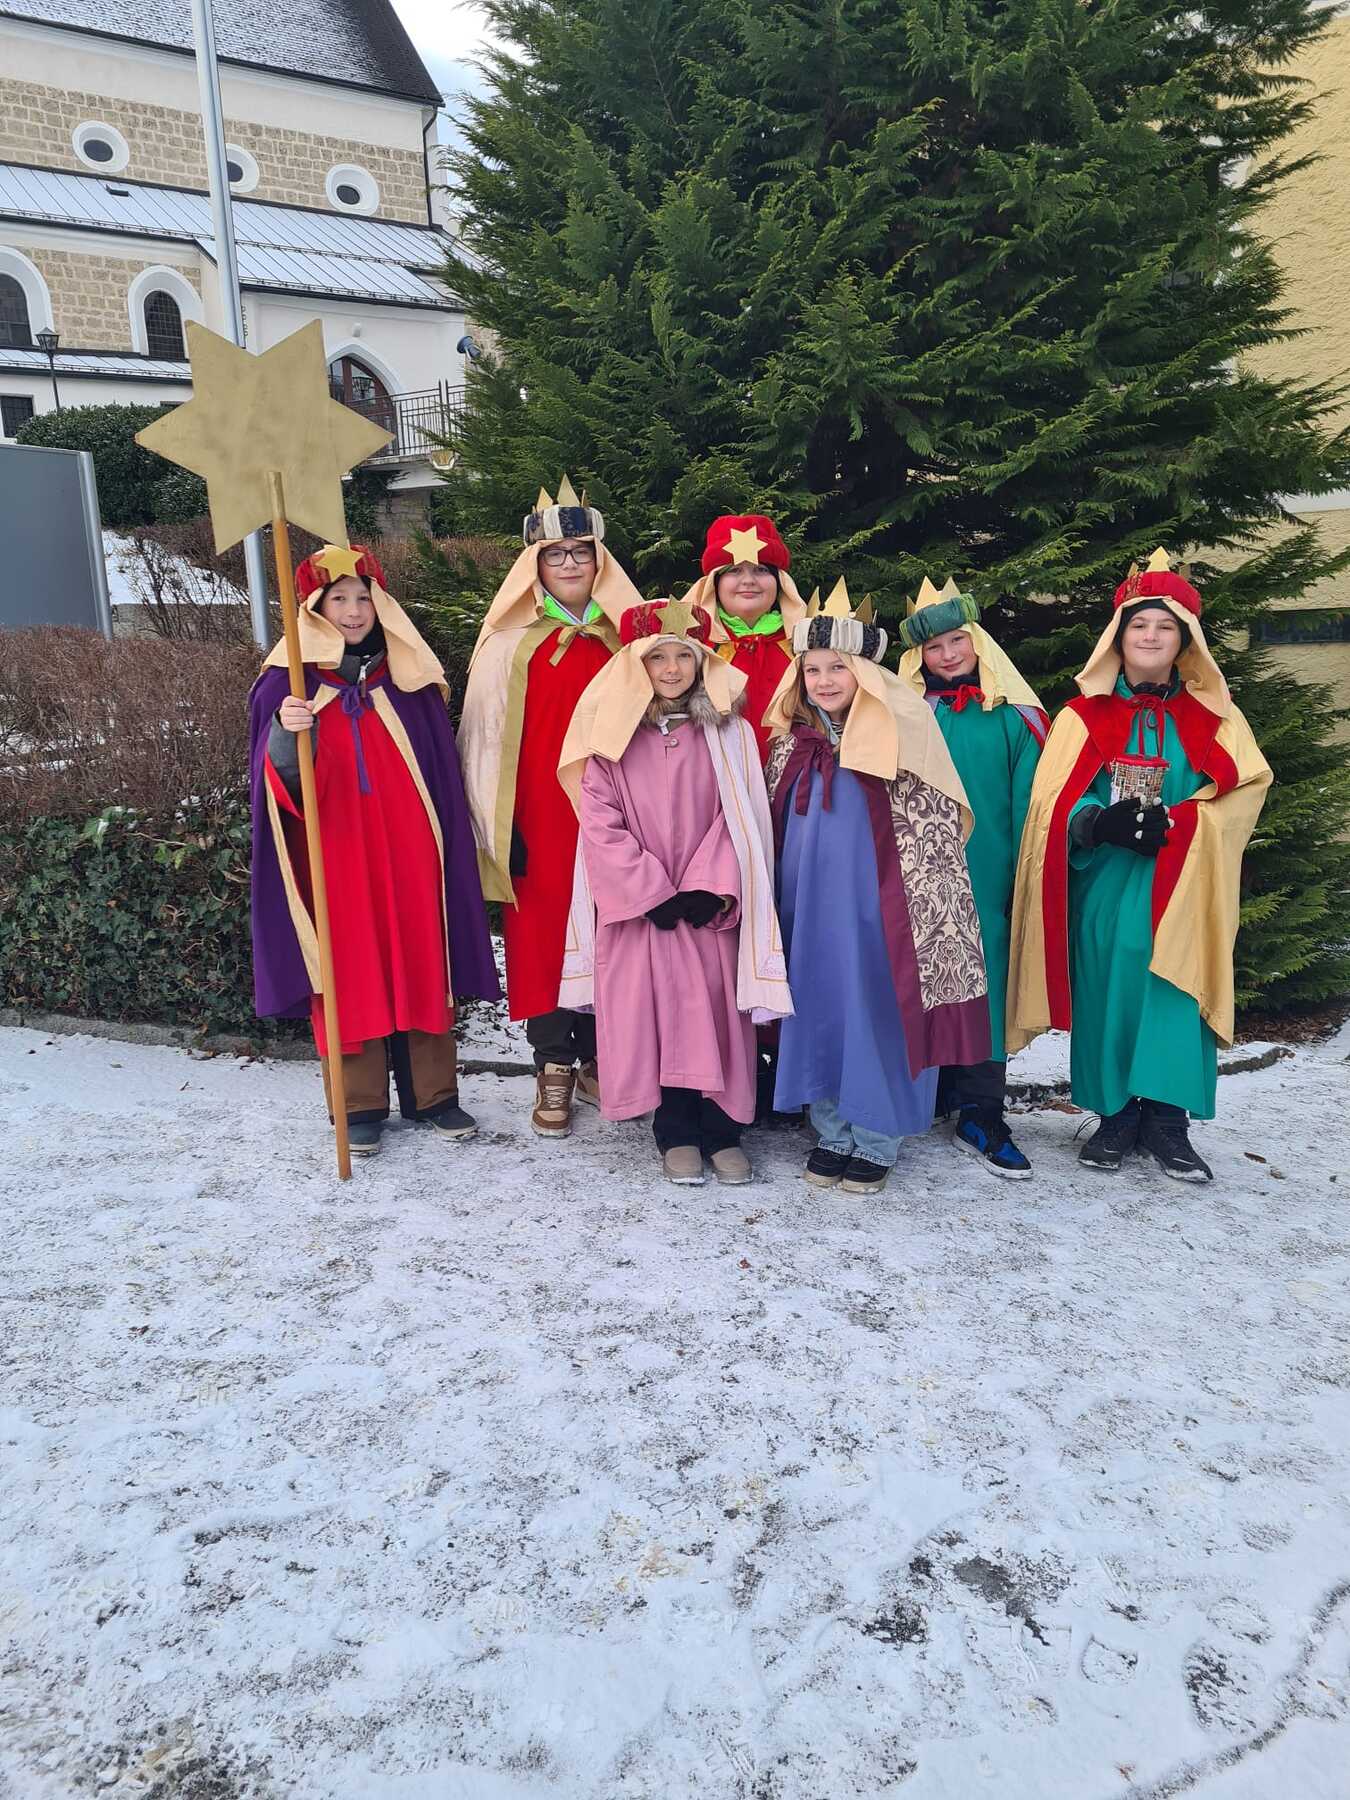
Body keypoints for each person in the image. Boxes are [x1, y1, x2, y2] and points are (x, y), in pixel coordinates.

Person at [1008, 550, 1272, 1181]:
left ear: (1184, 642)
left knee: (1174, 988)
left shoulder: (1217, 717)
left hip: (1184, 881)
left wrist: (1184, 822)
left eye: (1165, 627)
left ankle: (1168, 1122)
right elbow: (1051, 803)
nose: (1151, 636)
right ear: (1118, 638)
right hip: (1107, 880)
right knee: (1109, 987)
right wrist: (1096, 822)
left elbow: (1244, 788)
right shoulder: (1080, 717)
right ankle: (1116, 1116)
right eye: (1139, 625)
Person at [249, 543, 499, 1156]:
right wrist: (286, 732)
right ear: (314, 609)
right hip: (335, 854)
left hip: (414, 852)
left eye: (363, 597)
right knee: (348, 966)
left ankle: (434, 1094)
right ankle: (357, 1104)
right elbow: (273, 790)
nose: (354, 610)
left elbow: (441, 777)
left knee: (422, 957)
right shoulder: (286, 687)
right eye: (338, 598)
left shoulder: (411, 684)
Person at [762, 582, 990, 1195]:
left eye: (838, 667)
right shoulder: (789, 743)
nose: (825, 681)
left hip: (880, 910)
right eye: (813, 669)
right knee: (819, 1004)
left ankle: (878, 1133)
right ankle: (831, 1129)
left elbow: (934, 829)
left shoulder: (904, 730)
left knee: (878, 1008)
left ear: (865, 671)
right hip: (808, 909)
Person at [557, 598, 792, 1186]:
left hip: (709, 911)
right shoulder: (612, 738)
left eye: (683, 656)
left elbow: (741, 815)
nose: (670, 669)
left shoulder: (731, 733)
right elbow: (599, 819)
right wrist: (651, 892)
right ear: (636, 665)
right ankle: (676, 1129)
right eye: (656, 657)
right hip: (642, 913)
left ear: (702, 662)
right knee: (655, 1016)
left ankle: (723, 1130)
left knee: (716, 1011)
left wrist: (710, 888)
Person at [458, 479, 641, 1139]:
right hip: (537, 817)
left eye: (580, 552)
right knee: (543, 941)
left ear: (599, 561)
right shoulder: (508, 643)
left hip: (617, 817)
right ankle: (554, 1065)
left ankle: (599, 1059)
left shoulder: (631, 640)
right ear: (534, 564)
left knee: (615, 934)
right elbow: (481, 739)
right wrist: (496, 826)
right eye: (555, 554)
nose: (569, 563)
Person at [897, 576, 1048, 1179]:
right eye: (933, 647)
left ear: (978, 642)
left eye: (957, 640)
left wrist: (1020, 878)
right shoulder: (904, 716)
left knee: (986, 983)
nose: (947, 654)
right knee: (918, 976)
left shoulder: (1014, 718)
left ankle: (983, 1110)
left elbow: (1031, 803)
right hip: (914, 875)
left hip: (987, 873)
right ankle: (928, 1093)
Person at [680, 515, 807, 762]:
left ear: (779, 581)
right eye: (734, 570)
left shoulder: (804, 646)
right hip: (717, 779)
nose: (748, 580)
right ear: (715, 583)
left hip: (795, 779)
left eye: (761, 569)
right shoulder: (690, 648)